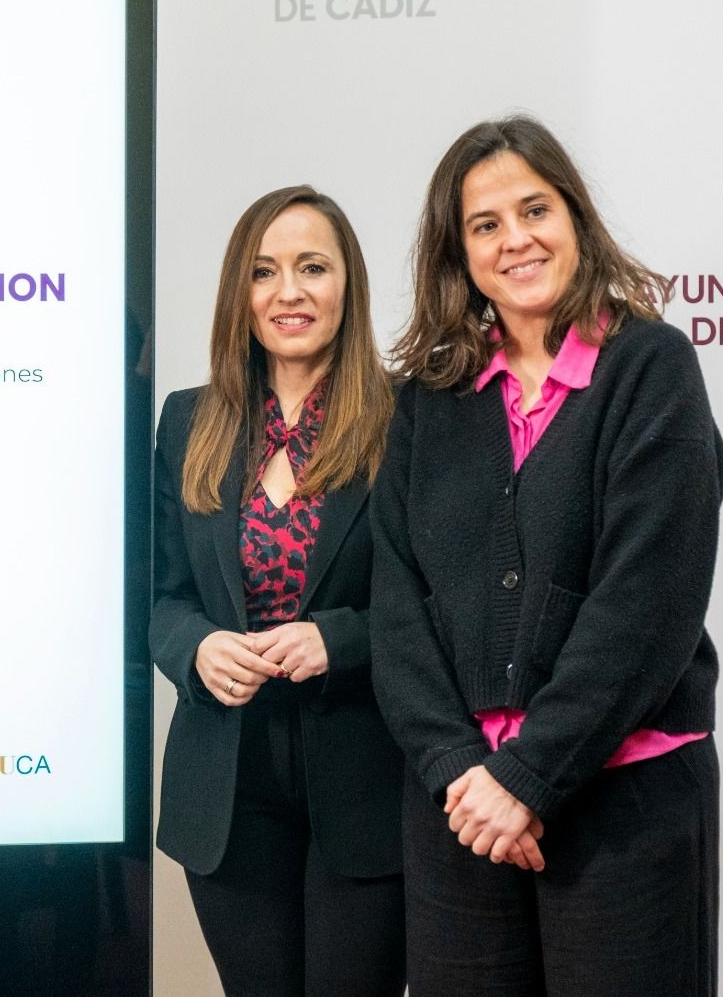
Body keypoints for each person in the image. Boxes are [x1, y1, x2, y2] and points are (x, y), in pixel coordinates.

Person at [371, 116, 723, 996]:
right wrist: (464, 774)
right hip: (461, 810)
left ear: (575, 218)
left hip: (623, 801)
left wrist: (527, 777)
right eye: (485, 224)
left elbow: (648, 602)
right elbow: (397, 606)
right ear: (460, 254)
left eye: (535, 210)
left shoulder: (651, 368)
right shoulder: (429, 399)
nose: (516, 239)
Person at [151, 185, 406, 995]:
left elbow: (444, 605)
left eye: (312, 268)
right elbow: (160, 598)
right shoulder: (187, 421)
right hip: (227, 785)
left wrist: (341, 638)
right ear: (241, 292)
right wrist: (197, 648)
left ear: (348, 284)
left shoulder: (407, 419)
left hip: (367, 778)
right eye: (264, 272)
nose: (288, 292)